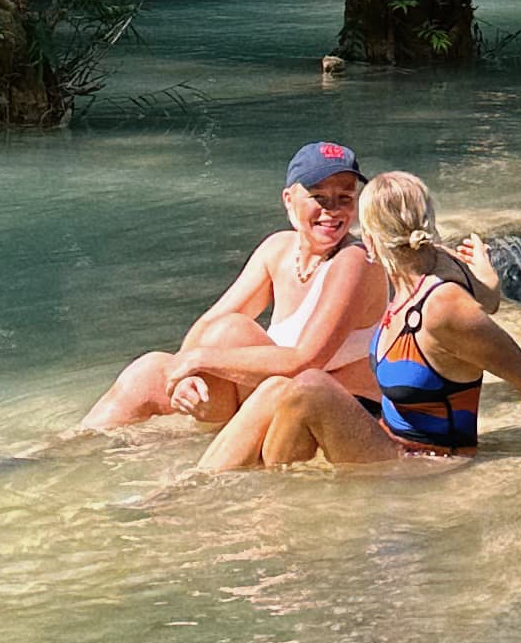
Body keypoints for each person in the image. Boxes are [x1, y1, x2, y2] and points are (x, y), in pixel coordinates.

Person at [195, 170, 521, 471]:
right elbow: (489, 299)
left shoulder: (443, 306)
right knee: (277, 388)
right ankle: (209, 483)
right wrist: (487, 274)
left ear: (371, 242)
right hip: (386, 438)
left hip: (426, 461)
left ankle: (256, 494)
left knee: (310, 386)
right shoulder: (428, 267)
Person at [78, 140, 387, 433]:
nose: (332, 210)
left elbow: (305, 361)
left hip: (338, 408)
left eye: (344, 198)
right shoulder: (278, 248)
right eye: (318, 197)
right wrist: (181, 375)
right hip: (274, 393)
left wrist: (197, 360)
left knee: (230, 332)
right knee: (147, 371)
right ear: (288, 199)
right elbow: (209, 321)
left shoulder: (356, 261)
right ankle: (65, 448)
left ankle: (205, 440)